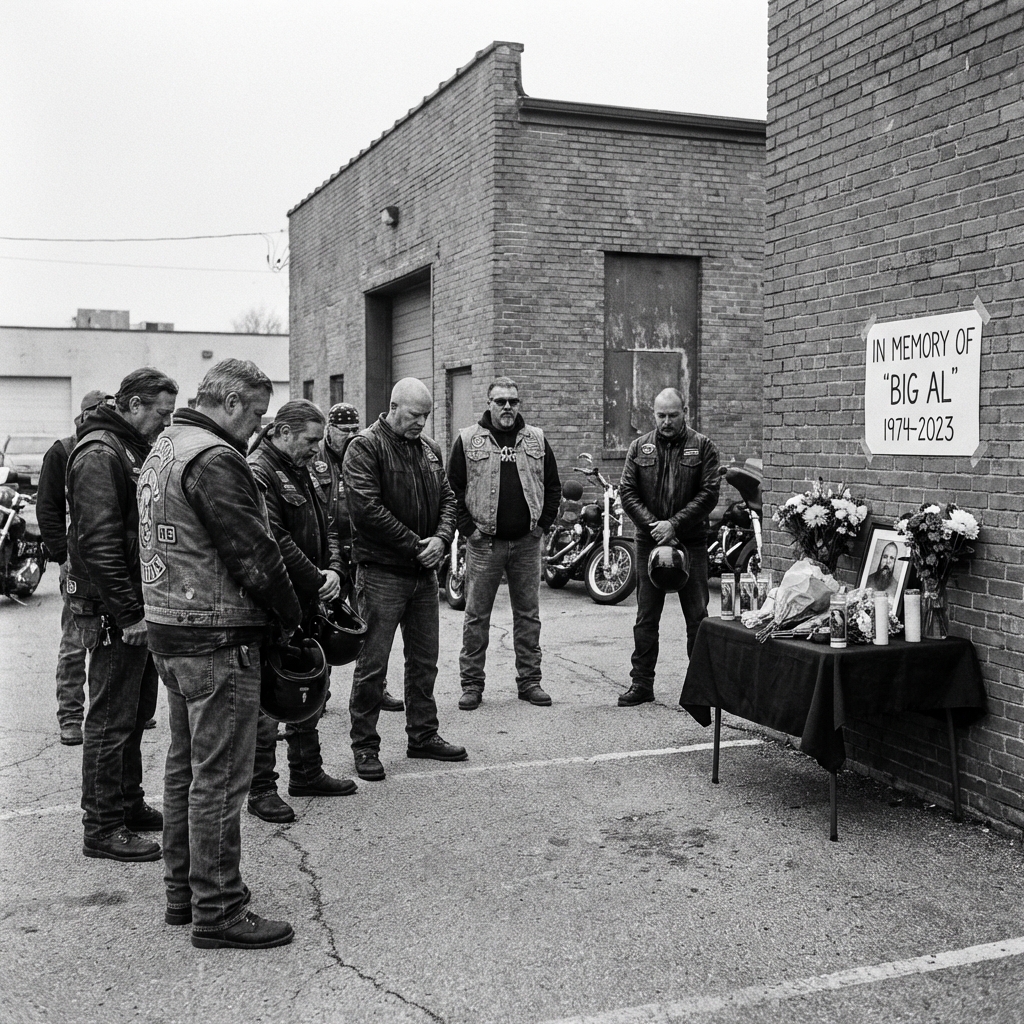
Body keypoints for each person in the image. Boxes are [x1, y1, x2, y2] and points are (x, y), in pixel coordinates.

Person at [140, 358, 300, 950]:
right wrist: (290, 616)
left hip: (172, 628)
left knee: (187, 770)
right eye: (256, 412)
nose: (258, 425)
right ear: (231, 402)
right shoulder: (214, 457)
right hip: (215, 634)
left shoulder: (166, 447)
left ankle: (185, 892)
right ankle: (219, 907)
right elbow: (253, 553)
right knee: (221, 779)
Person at [66, 368, 177, 861]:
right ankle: (102, 826)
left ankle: (128, 803)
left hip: (134, 606)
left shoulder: (128, 446)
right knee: (110, 719)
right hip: (116, 612)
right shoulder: (100, 454)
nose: (167, 420)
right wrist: (130, 613)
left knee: (134, 714)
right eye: (162, 412)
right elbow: (100, 544)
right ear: (133, 405)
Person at [343, 377, 465, 781]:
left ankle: (423, 736)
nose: (421, 424)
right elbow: (367, 511)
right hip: (382, 574)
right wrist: (418, 545)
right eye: (415, 415)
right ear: (393, 407)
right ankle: (365, 746)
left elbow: (449, 498)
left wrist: (442, 538)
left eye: (426, 416)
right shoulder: (365, 447)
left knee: (424, 663)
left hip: (423, 576)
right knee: (373, 666)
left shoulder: (428, 450)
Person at [246, 399, 357, 824]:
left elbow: (328, 523)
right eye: (311, 440)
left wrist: (332, 569)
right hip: (278, 600)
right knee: (271, 698)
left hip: (308, 596)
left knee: (310, 684)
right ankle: (261, 788)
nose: (317, 448)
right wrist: (316, 577)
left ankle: (307, 772)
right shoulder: (259, 471)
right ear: (283, 432)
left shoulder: (299, 468)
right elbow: (272, 537)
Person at [447, 376, 561, 710]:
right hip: (485, 544)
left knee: (528, 616)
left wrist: (542, 526)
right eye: (501, 401)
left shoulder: (536, 438)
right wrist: (469, 529)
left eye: (513, 401)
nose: (508, 407)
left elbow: (552, 486)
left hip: (527, 543)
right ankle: (471, 685)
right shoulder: (468, 440)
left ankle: (530, 682)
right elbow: (451, 489)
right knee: (476, 616)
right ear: (489, 404)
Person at [617, 387, 720, 706]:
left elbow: (709, 493)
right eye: (660, 415)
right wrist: (655, 526)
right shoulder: (639, 446)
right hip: (649, 542)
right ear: (654, 414)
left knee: (697, 617)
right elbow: (627, 491)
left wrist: (675, 525)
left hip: (692, 543)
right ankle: (642, 683)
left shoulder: (703, 447)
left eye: (672, 415)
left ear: (684, 412)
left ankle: (700, 688)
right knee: (646, 616)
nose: (666, 422)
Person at [310, 402, 403, 713]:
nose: (350, 435)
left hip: (362, 551)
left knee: (371, 628)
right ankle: (319, 692)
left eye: (354, 429)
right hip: (328, 557)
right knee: (324, 626)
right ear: (329, 430)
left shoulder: (365, 452)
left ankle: (376, 689)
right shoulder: (314, 458)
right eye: (343, 430)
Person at [36, 390, 110, 746]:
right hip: (77, 562)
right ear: (83, 415)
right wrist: (61, 557)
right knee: (75, 642)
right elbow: (47, 509)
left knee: (115, 643)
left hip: (111, 563)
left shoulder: (114, 447)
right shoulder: (63, 451)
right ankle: (70, 715)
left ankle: (111, 711)